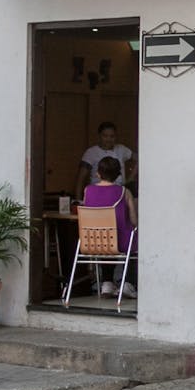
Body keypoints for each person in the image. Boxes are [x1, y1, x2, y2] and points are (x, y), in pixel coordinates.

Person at [81, 155, 137, 298]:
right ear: (118, 174)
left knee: (104, 235)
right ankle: (128, 283)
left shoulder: (88, 190)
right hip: (118, 241)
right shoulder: (124, 192)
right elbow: (134, 220)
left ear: (98, 173)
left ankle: (107, 283)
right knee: (133, 236)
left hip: (92, 241)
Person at [76, 122, 135, 202]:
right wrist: (78, 201)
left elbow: (141, 159)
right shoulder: (91, 152)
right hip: (97, 194)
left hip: (119, 194)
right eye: (105, 136)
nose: (109, 139)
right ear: (99, 136)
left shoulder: (121, 149)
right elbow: (80, 179)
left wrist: (130, 179)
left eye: (112, 136)